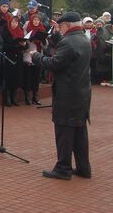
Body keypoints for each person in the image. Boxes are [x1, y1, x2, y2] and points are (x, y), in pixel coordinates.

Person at [31, 12, 92, 180]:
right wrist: (57, 34)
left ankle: (63, 168)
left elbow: (55, 63)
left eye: (62, 26)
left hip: (67, 95)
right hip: (82, 93)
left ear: (67, 25)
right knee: (80, 132)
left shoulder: (69, 42)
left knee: (64, 131)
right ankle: (83, 167)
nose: (61, 29)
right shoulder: (84, 39)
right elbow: (68, 50)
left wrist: (36, 57)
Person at [1, 16, 27, 106]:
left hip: (18, 57)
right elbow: (3, 45)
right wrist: (15, 45)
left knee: (16, 77)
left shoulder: (20, 31)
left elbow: (25, 46)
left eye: (16, 23)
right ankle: (7, 98)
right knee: (9, 77)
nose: (14, 24)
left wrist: (23, 44)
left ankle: (14, 97)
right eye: (12, 22)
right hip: (9, 57)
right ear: (9, 22)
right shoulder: (5, 31)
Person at [22, 14, 47, 105]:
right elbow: (24, 40)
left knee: (36, 78)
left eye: (38, 20)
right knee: (28, 77)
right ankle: (27, 95)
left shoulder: (42, 29)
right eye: (34, 20)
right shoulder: (27, 28)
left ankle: (35, 95)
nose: (36, 21)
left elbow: (45, 46)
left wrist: (42, 41)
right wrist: (30, 40)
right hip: (29, 56)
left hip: (39, 56)